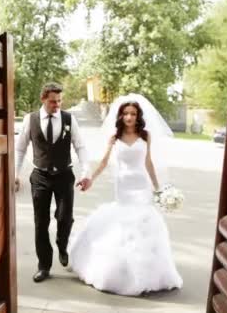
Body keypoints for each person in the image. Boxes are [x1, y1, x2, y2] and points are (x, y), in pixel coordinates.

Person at [67, 94, 183, 296]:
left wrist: (158, 189)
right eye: (126, 113)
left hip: (142, 185)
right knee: (121, 224)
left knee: (143, 224)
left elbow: (149, 163)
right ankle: (119, 271)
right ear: (121, 116)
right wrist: (90, 178)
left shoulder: (145, 136)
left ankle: (145, 272)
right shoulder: (114, 137)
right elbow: (103, 162)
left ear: (138, 117)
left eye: (133, 113)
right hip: (123, 186)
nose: (129, 117)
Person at [15, 82, 92, 283]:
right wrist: (15, 173)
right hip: (40, 176)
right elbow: (20, 149)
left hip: (65, 175)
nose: (57, 105)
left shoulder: (68, 119)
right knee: (41, 222)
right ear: (43, 99)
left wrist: (86, 172)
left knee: (65, 217)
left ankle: (62, 243)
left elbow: (80, 146)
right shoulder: (29, 120)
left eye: (59, 101)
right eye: (52, 101)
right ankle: (44, 266)